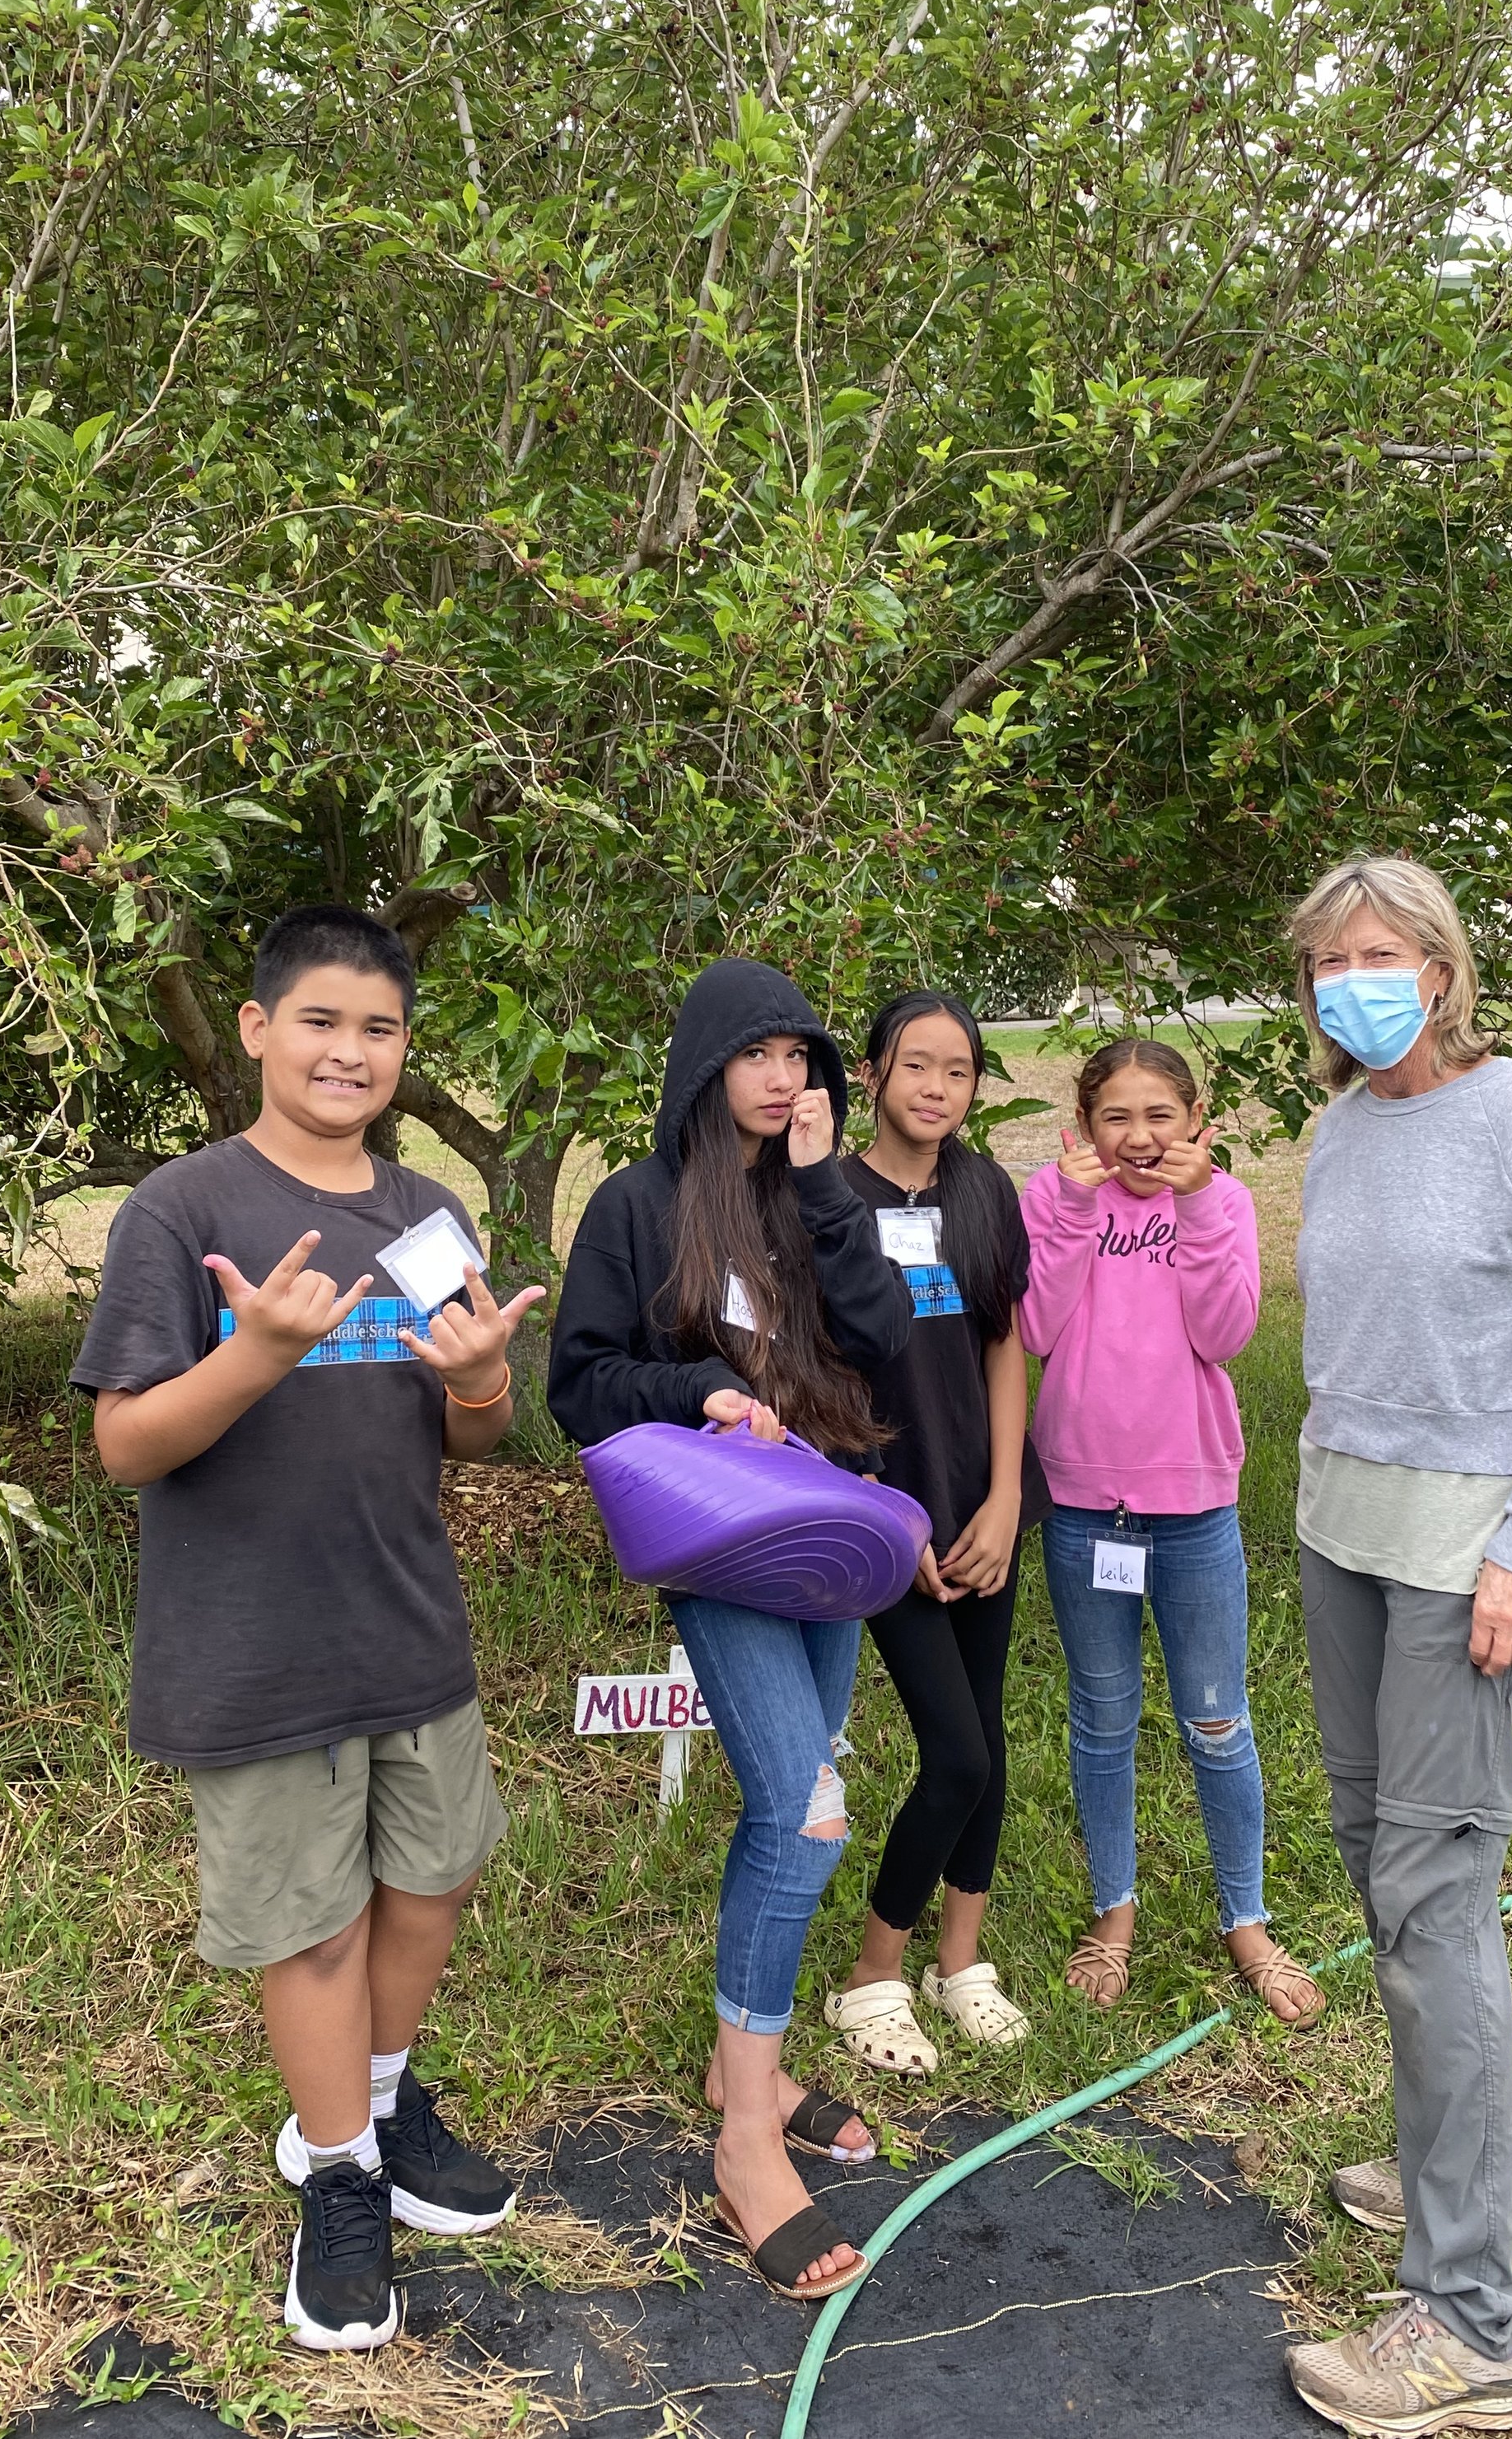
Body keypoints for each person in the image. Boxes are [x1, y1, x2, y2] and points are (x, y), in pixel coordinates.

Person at [71, 905, 545, 2353]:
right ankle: (337, 2175)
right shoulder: (185, 1210)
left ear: (406, 1050)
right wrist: (255, 1356)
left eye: (381, 1028)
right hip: (254, 1640)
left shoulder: (424, 1215)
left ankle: (382, 2105)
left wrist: (476, 1384)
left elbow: (482, 1434)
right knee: (317, 1924)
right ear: (261, 1029)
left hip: (407, 1618)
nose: (352, 1050)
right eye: (322, 1020)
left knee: (435, 1877)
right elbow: (127, 1446)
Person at [1280, 856, 1512, 2437]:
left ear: (1441, 969)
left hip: (1460, 1560)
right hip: (1339, 1534)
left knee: (1433, 1892)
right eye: (1326, 962)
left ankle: (1474, 2325)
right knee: (1385, 1861)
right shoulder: (1337, 1128)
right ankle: (1472, 2144)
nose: (1353, 979)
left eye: (1382, 953)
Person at [547, 958, 911, 2303]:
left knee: (806, 1800)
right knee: (802, 1814)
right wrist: (697, 1387)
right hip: (722, 1541)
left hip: (820, 1536)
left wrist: (827, 1189)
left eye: (803, 1056)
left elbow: (880, 1342)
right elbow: (577, 1385)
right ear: (708, 1063)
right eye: (760, 1053)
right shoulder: (639, 1208)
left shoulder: (803, 1197)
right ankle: (748, 2135)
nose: (784, 1076)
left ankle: (733, 2058)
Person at [1019, 1037, 1324, 2026]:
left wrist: (1194, 1210)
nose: (1139, 1138)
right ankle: (1114, 1910)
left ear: (1196, 1123)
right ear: (1084, 1124)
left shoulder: (1222, 1202)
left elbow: (1223, 1333)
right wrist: (1068, 1210)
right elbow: (1035, 1327)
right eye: (1116, 1117)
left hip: (1193, 1507)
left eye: (1159, 1116)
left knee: (1216, 1721)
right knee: (1100, 1720)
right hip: (1081, 1505)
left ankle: (1246, 1917)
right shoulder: (1055, 1197)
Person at [822, 993, 1051, 2076]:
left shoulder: (981, 1188)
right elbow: (815, 1375)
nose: (936, 1088)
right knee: (951, 1754)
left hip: (982, 1508)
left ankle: (960, 1964)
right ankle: (872, 1974)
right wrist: (883, 1511)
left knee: (989, 1743)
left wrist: (1007, 1497)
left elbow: (1006, 1344)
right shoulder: (824, 1197)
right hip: (885, 1516)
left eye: (958, 1071)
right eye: (916, 1066)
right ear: (870, 1075)